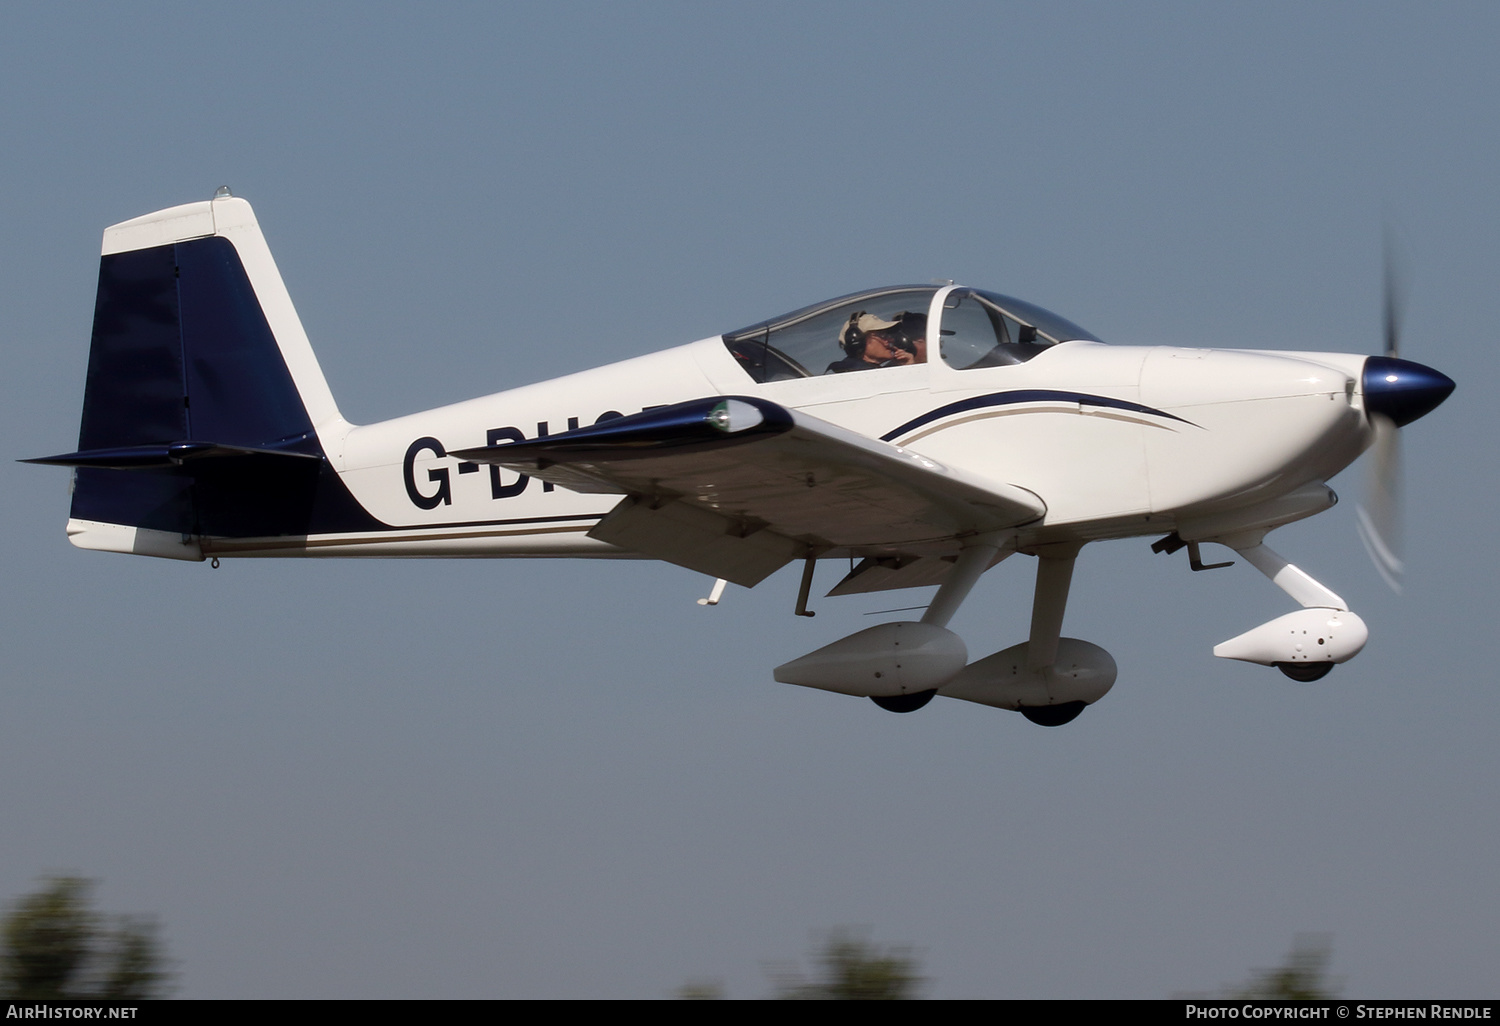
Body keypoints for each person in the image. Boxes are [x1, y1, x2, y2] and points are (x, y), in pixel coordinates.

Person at [825, 310, 928, 373]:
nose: (890, 340)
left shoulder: (871, 372)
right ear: (857, 341)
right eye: (882, 335)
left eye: (888, 335)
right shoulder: (849, 374)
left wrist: (907, 368)